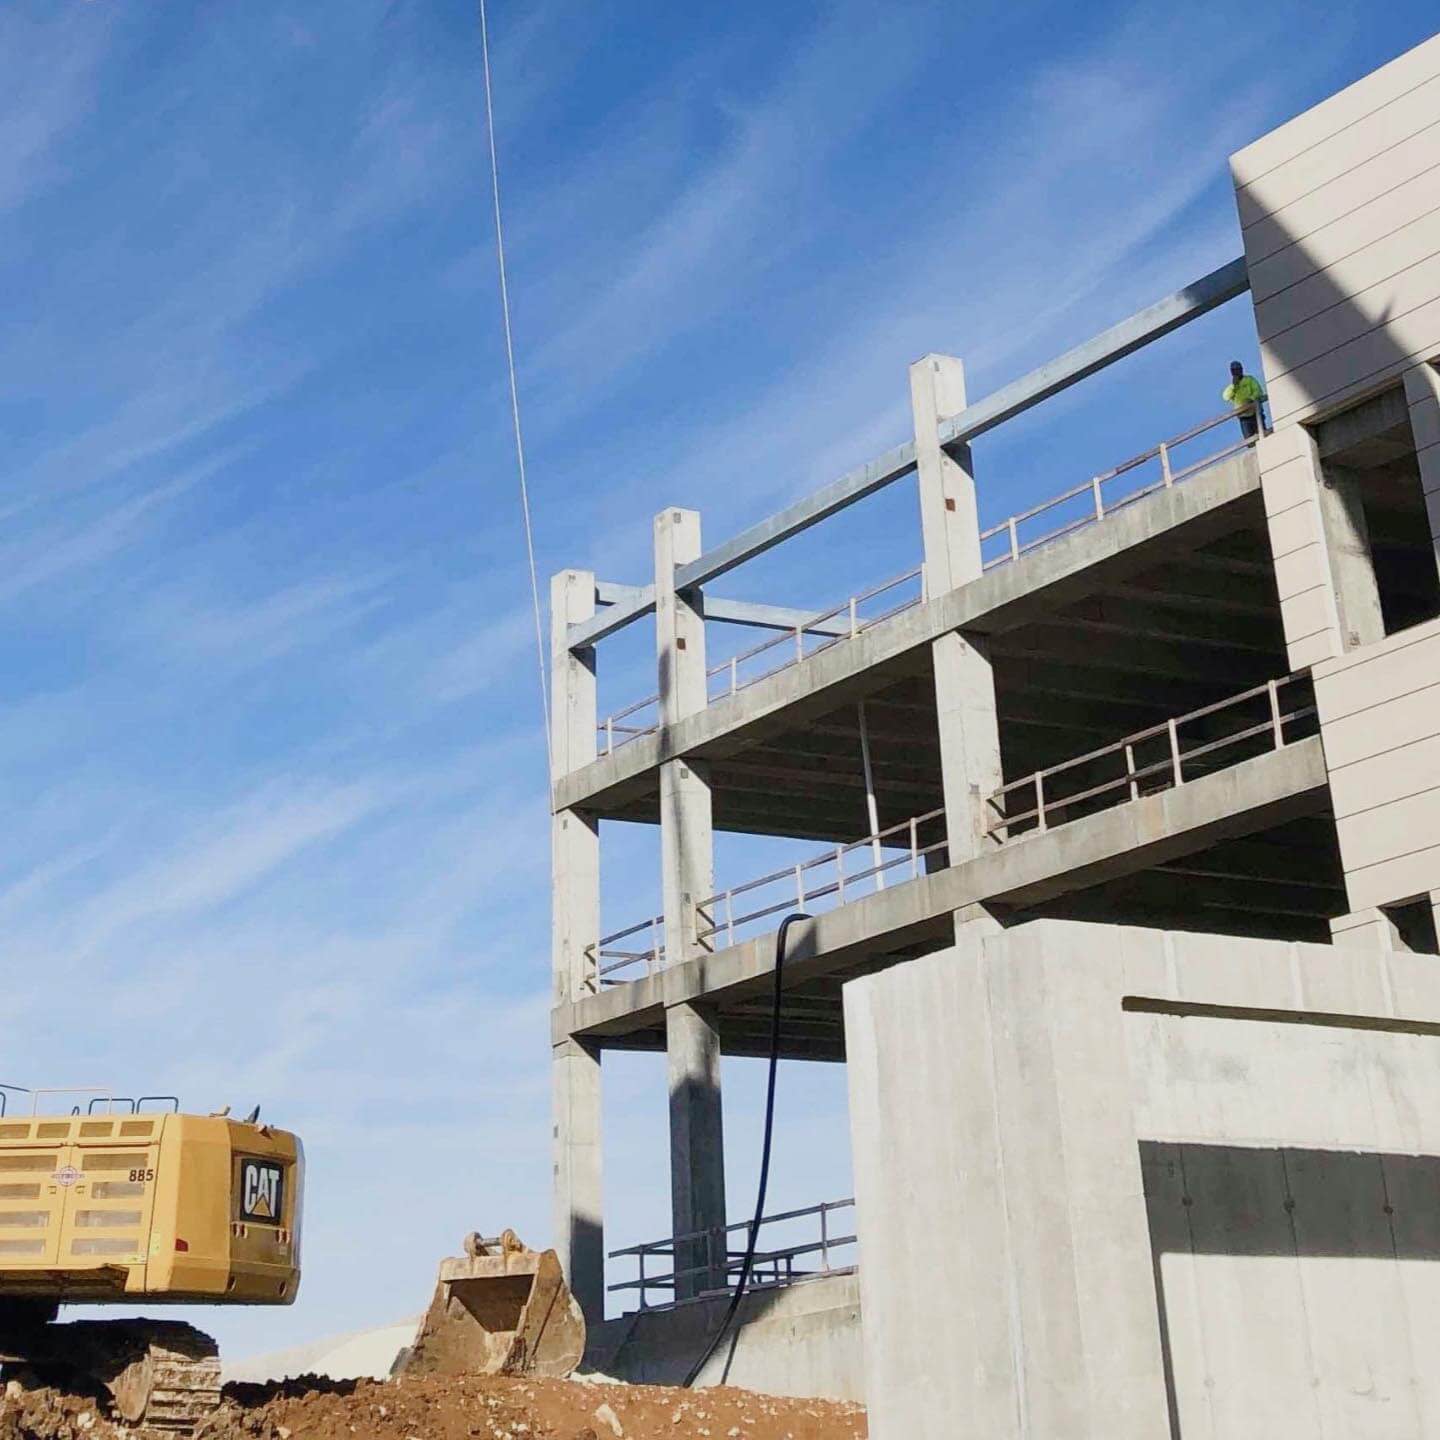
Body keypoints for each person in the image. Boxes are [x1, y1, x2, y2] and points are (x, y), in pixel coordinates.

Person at [1223, 360, 1267, 438]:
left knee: (1263, 435)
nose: (1236, 372)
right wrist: (1234, 386)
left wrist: (1251, 399)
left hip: (1255, 412)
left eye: (1237, 369)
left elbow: (1258, 391)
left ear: (1241, 369)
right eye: (1234, 370)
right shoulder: (1232, 387)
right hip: (1244, 417)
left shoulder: (1249, 379)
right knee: (1249, 440)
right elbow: (1226, 397)